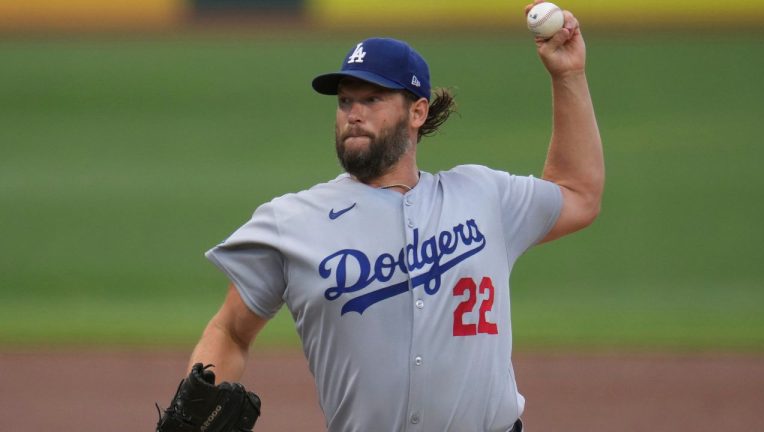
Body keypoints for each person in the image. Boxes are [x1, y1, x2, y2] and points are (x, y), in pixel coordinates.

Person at [185, 3, 603, 431]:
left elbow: (578, 194)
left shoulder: (484, 196)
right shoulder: (290, 221)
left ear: (417, 112)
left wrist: (567, 75)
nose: (354, 114)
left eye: (372, 99)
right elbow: (230, 332)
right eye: (346, 101)